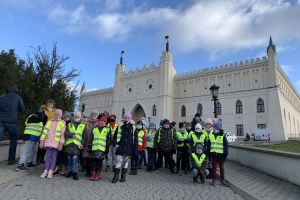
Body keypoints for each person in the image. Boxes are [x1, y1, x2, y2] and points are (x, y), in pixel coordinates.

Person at [0, 85, 25, 165]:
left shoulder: (2, 97)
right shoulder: (18, 98)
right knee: (13, 140)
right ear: (16, 91)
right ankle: (11, 160)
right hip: (12, 122)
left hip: (1, 121)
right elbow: (23, 110)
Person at [39, 109, 65, 179]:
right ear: (54, 114)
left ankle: (50, 172)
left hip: (56, 143)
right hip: (48, 142)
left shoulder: (62, 123)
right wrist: (41, 141)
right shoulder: (49, 121)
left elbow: (62, 135)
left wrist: (61, 144)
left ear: (61, 115)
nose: (57, 116)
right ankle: (45, 171)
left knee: (53, 158)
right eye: (56, 114)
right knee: (47, 158)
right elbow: (44, 132)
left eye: (59, 115)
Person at [112, 113, 137, 183]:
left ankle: (123, 176)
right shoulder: (120, 126)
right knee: (118, 162)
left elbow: (135, 139)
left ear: (130, 119)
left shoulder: (133, 127)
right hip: (120, 147)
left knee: (126, 163)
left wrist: (135, 150)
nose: (126, 119)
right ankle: (115, 177)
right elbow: (115, 136)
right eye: (125, 118)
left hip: (129, 148)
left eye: (128, 118)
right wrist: (115, 144)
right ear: (123, 118)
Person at [64, 111, 86, 180]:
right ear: (73, 117)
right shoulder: (69, 124)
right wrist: (71, 135)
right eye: (76, 116)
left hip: (77, 144)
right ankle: (70, 171)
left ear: (80, 117)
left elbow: (84, 136)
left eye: (78, 116)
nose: (77, 118)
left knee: (75, 159)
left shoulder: (83, 125)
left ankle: (75, 172)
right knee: (69, 158)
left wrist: (82, 144)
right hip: (69, 144)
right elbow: (65, 133)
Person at [207, 118, 229, 187]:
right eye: (213, 127)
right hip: (213, 154)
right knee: (213, 167)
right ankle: (214, 180)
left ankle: (222, 180)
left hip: (221, 155)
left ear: (217, 128)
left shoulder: (223, 136)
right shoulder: (211, 135)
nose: (213, 129)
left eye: (214, 127)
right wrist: (208, 155)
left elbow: (226, 148)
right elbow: (209, 146)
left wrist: (225, 156)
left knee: (221, 167)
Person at [88, 116, 110, 181]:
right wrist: (89, 147)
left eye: (103, 121)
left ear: (105, 123)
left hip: (102, 149)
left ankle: (98, 175)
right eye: (100, 121)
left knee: (99, 162)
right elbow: (91, 139)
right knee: (93, 162)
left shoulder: (107, 130)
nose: (101, 122)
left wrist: (106, 149)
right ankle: (93, 174)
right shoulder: (94, 129)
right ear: (98, 122)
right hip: (94, 148)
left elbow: (108, 141)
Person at [82, 110, 99, 177]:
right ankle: (87, 171)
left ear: (97, 115)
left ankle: (93, 171)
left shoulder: (98, 123)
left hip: (94, 143)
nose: (94, 115)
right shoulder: (86, 122)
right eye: (92, 114)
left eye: (95, 114)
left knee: (93, 158)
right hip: (87, 142)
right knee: (87, 158)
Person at [59, 111, 72, 176]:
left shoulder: (70, 124)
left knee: (65, 156)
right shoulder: (60, 122)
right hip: (60, 141)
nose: (67, 118)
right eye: (65, 117)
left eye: (68, 117)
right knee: (60, 155)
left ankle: (64, 168)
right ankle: (59, 166)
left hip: (67, 142)